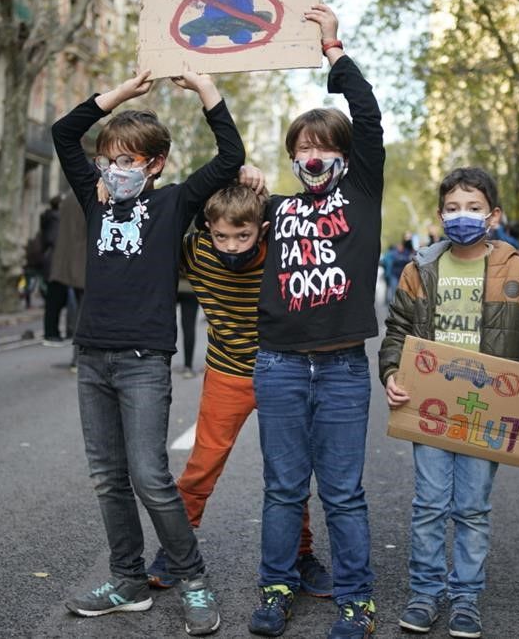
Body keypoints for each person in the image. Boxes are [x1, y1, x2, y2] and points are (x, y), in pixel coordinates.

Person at [51, 67, 243, 636]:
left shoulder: (176, 203)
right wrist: (119, 96)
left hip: (142, 361)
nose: (114, 168)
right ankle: (128, 582)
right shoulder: (95, 200)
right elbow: (64, 133)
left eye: (128, 159)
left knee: (150, 478)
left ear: (155, 164)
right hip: (92, 357)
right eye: (109, 158)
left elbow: (229, 156)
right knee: (107, 478)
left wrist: (206, 89)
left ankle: (194, 581)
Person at [379, 166, 519, 638]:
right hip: (429, 406)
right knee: (428, 504)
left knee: (471, 507)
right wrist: (390, 374)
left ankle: (465, 597)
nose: (462, 216)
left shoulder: (518, 270)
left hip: (488, 412)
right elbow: (397, 335)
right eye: (452, 208)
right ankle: (425, 593)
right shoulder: (418, 269)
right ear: (440, 214)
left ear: (493, 215)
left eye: (473, 208)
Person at [249, 4, 383, 639]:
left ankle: (356, 601)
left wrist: (333, 49)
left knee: (343, 493)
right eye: (303, 148)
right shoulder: (273, 209)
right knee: (282, 490)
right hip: (276, 363)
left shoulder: (362, 195)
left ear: (343, 156)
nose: (313, 155)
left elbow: (371, 118)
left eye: (325, 146)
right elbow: (220, 209)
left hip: (341, 368)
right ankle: (276, 588)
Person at [145, 175, 332, 601]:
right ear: (208, 230)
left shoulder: (281, 252)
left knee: (289, 473)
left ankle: (301, 555)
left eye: (242, 235)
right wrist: (224, 176)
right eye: (221, 235)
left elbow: (318, 218)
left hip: (282, 370)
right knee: (201, 466)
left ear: (262, 228)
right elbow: (163, 215)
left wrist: (262, 195)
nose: (230, 245)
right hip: (227, 373)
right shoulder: (196, 253)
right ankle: (176, 550)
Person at [48, 191, 88, 371]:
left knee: (77, 309)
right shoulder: (94, 195)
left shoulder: (69, 199)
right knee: (84, 311)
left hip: (70, 260)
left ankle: (77, 357)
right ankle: (80, 358)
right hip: (88, 261)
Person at [40, 194, 68, 346]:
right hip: (55, 264)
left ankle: (52, 332)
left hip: (51, 263)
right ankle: (51, 333)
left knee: (54, 301)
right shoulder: (57, 219)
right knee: (55, 300)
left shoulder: (49, 218)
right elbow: (54, 240)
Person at [176, 272, 200, 378]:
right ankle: (188, 367)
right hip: (191, 287)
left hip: (173, 286)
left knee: (166, 325)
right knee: (189, 327)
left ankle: (163, 363)